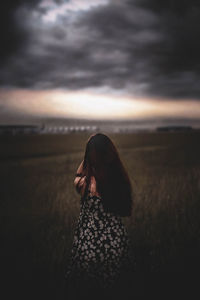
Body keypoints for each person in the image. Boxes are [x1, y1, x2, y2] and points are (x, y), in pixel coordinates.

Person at [64, 133, 133, 299]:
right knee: (112, 288)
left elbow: (77, 176)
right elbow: (125, 209)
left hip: (88, 241)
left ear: (90, 157)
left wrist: (88, 149)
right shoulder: (118, 179)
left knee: (87, 289)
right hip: (114, 242)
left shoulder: (87, 182)